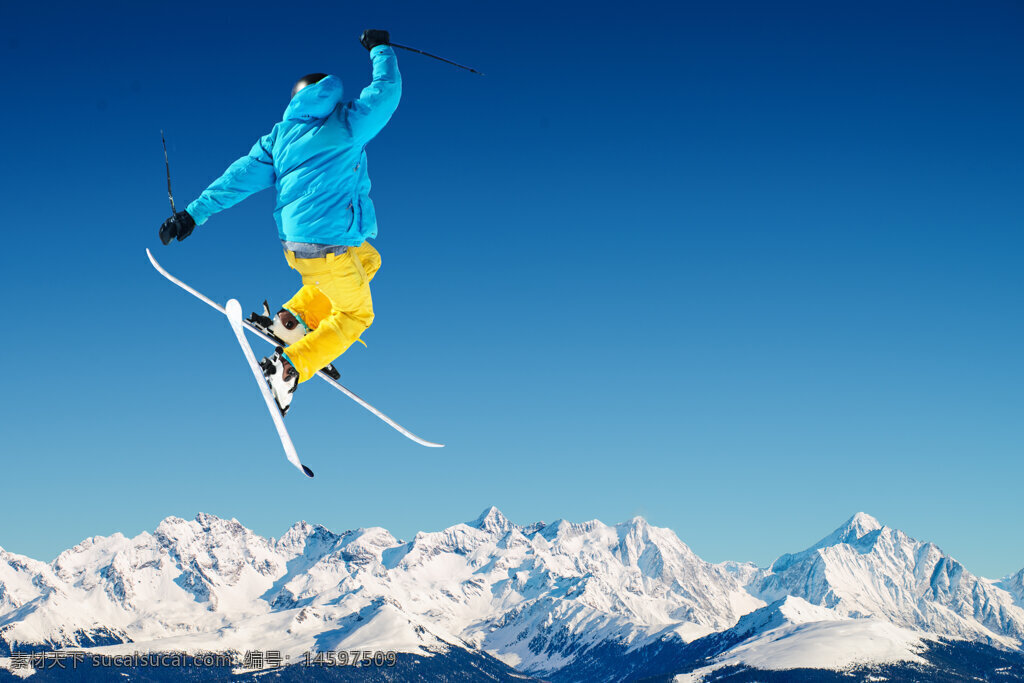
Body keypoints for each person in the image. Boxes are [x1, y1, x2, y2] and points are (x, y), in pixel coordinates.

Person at [158, 29, 401, 415]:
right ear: (330, 92)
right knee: (357, 314)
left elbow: (238, 178)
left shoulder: (279, 138)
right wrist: (380, 48)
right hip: (331, 246)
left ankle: (291, 322)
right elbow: (386, 93)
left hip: (299, 248)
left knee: (369, 259)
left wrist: (192, 214)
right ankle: (289, 367)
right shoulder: (347, 122)